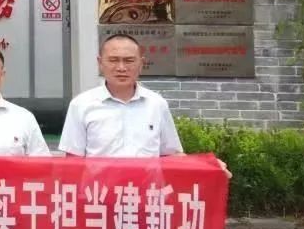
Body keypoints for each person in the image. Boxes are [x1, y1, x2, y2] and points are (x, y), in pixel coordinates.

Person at [59, 33, 231, 176]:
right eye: (113, 60)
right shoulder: (81, 105)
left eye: (129, 60)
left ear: (141, 64)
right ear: (100, 63)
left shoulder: (157, 104)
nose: (121, 67)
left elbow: (170, 156)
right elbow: (73, 163)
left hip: (146, 197)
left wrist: (207, 165)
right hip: (99, 197)